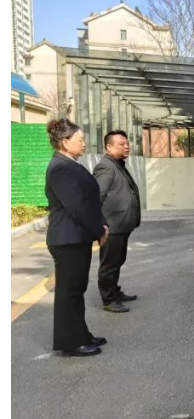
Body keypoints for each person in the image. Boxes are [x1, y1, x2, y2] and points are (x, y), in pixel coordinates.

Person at [44, 118, 109, 357]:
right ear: (65, 142)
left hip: (75, 238)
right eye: (79, 140)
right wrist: (99, 230)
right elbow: (77, 206)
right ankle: (70, 343)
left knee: (76, 289)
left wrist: (101, 223)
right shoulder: (60, 168)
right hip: (67, 239)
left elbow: (89, 201)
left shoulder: (70, 164)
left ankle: (81, 334)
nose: (84, 143)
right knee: (69, 292)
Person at [93, 130, 141, 313]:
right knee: (110, 264)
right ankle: (109, 299)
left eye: (127, 143)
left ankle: (115, 291)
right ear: (109, 147)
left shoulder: (117, 164)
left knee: (118, 260)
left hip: (121, 225)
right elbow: (97, 196)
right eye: (121, 144)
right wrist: (100, 224)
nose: (126, 146)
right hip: (111, 226)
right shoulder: (106, 167)